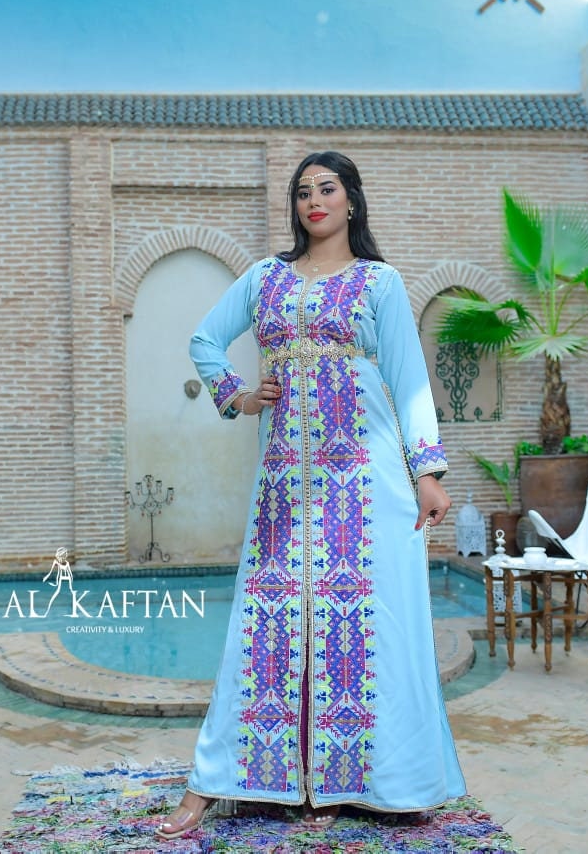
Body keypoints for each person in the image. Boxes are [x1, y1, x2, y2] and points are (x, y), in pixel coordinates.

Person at [156, 151, 466, 841]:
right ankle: (223, 779)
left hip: (364, 479)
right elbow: (205, 339)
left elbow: (408, 377)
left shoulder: (379, 282)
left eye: (326, 188)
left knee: (368, 624)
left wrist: (427, 471)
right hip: (284, 485)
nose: (313, 201)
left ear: (351, 199)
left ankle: (355, 780)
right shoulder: (265, 277)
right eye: (302, 192)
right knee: (264, 621)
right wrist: (237, 395)